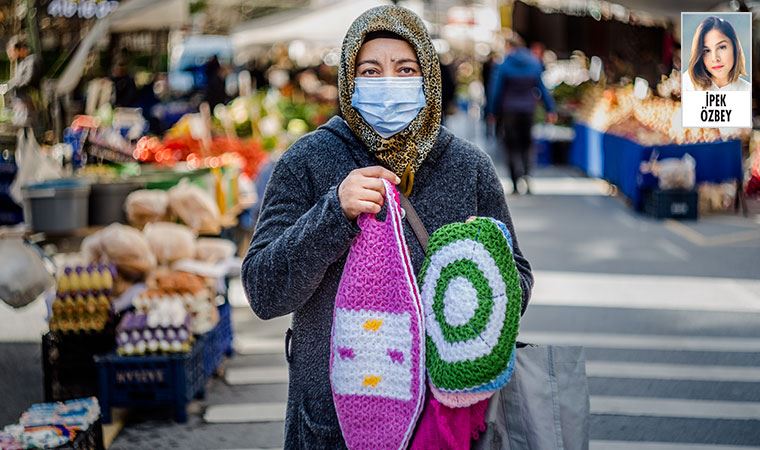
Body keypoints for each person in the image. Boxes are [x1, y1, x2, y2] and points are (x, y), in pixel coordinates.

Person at [241, 5, 533, 448]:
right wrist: (333, 213)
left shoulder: (467, 166)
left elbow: (519, 278)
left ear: (428, 78)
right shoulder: (308, 162)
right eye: (371, 71)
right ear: (349, 81)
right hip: (331, 424)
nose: (389, 83)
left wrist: (483, 260)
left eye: (405, 69)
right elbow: (263, 291)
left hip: (443, 422)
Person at [487, 33, 556, 195]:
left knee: (511, 146)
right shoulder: (534, 62)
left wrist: (492, 111)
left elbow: (495, 90)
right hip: (528, 109)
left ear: (510, 46)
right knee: (527, 144)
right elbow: (542, 88)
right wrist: (550, 109)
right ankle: (527, 175)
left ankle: (515, 181)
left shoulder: (504, 64)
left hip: (509, 110)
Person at [682, 16, 750, 91]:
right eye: (706, 51)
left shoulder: (747, 90)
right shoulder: (687, 84)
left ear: (735, 47)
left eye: (722, 47)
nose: (715, 58)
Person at [6, 35, 44, 139]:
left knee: (30, 133)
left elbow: (28, 81)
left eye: (12, 50)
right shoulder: (22, 63)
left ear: (19, 49)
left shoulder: (32, 60)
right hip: (20, 106)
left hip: (28, 105)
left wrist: (12, 85)